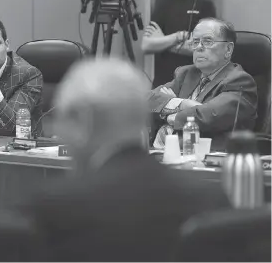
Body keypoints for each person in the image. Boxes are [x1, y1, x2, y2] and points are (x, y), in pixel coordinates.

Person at [18, 58, 231, 261]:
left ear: (82, 121)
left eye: (61, 120)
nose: (59, 132)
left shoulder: (53, 209)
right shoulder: (210, 200)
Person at [148, 18, 258, 151]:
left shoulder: (240, 81)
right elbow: (149, 99)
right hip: (161, 152)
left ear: (228, 49)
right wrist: (182, 104)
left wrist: (168, 111)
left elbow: (206, 116)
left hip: (204, 158)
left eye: (207, 41)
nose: (199, 47)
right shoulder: (186, 73)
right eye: (195, 42)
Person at [142, 0, 218, 88]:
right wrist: (177, 37)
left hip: (194, 88)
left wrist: (162, 42)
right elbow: (147, 45)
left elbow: (205, 50)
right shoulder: (164, 3)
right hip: (162, 86)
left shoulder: (207, 4)